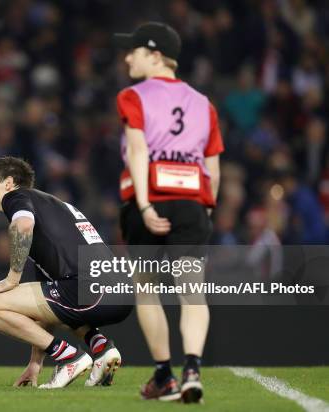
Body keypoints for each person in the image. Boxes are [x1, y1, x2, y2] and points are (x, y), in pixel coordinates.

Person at [114, 22, 223, 402]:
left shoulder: (133, 95)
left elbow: (139, 150)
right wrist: (206, 209)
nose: (128, 57)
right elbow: (213, 167)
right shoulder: (203, 103)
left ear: (155, 55)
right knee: (192, 291)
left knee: (146, 288)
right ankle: (192, 367)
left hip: (151, 199)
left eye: (134, 51)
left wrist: (144, 204)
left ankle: (164, 375)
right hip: (193, 202)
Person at [0, 156, 132, 388]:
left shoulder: (17, 197)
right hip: (118, 291)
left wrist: (12, 278)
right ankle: (101, 347)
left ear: (8, 183)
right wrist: (35, 364)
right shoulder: (53, 208)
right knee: (60, 304)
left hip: (88, 289)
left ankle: (71, 358)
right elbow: (46, 312)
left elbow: (23, 225)